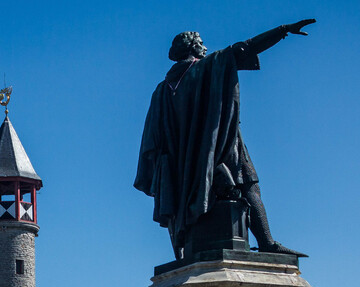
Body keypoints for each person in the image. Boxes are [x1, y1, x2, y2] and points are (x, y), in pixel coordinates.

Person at [135, 20, 315, 259]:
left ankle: (183, 250)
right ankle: (267, 242)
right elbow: (246, 48)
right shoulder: (209, 66)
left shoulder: (161, 90)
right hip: (219, 145)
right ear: (191, 48)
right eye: (200, 43)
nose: (205, 47)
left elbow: (152, 141)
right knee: (249, 184)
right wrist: (281, 31)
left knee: (191, 191)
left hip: (183, 164)